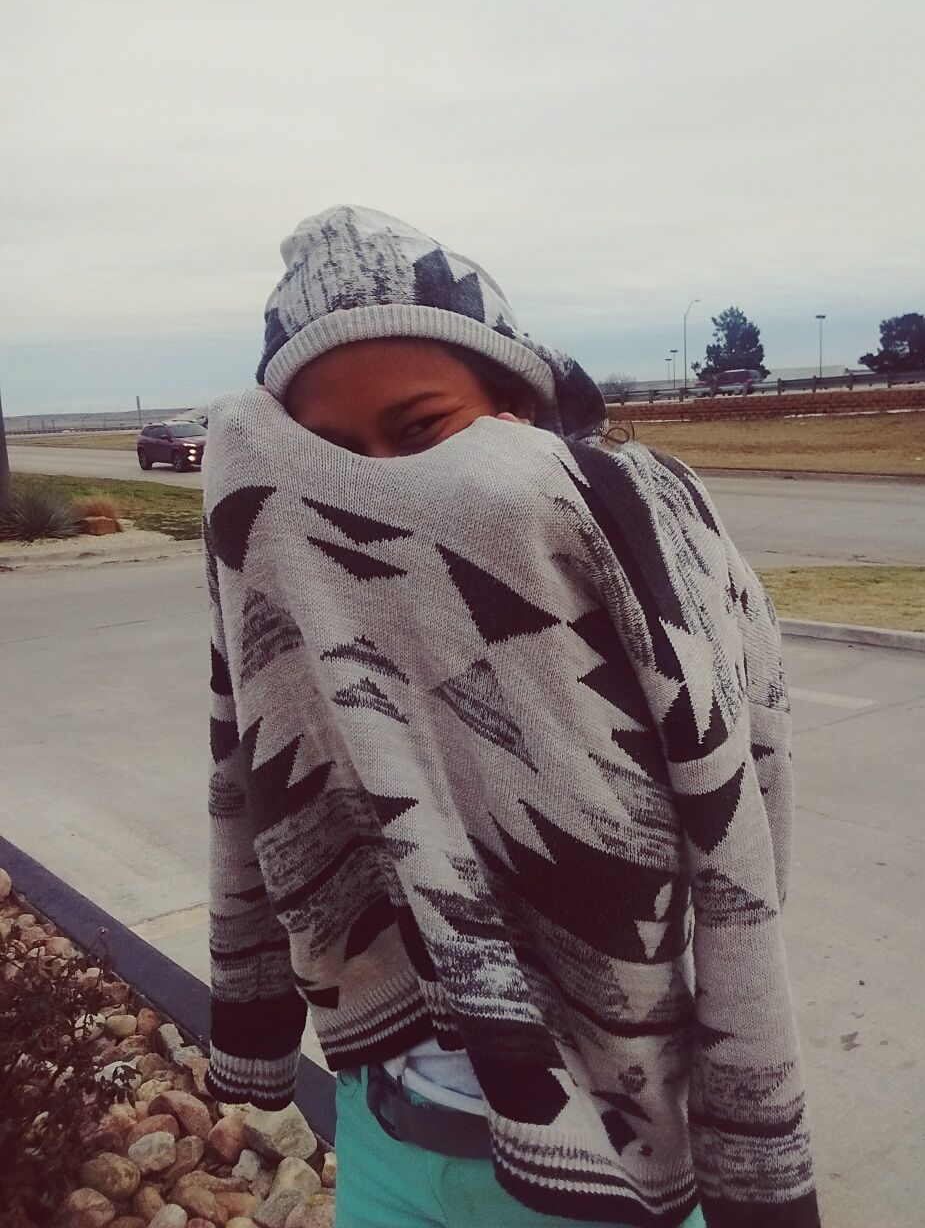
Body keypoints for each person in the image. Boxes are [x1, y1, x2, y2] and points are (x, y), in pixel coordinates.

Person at [202, 205, 819, 1228]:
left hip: (612, 1170)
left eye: (420, 432)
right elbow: (243, 777)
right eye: (332, 455)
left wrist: (754, 1154)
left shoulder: (642, 551)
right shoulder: (288, 587)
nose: (384, 489)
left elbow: (744, 858)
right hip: (390, 1131)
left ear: (517, 413)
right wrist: (257, 1010)